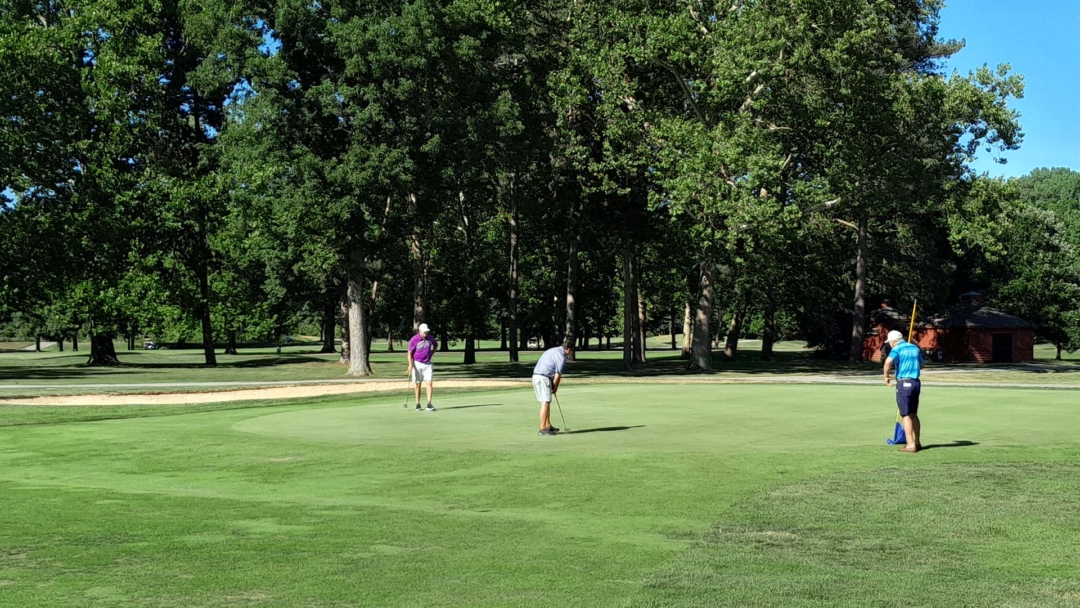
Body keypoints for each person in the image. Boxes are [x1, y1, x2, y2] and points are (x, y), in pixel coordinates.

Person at [884, 330, 923, 453]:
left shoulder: (897, 349)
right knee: (913, 414)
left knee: (905, 415)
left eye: (889, 342)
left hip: (904, 382)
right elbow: (921, 364)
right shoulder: (914, 347)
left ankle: (910, 444)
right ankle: (917, 442)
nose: (889, 344)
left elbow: (888, 361)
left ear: (893, 341)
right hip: (916, 382)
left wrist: (886, 375)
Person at [532, 340, 573, 436]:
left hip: (537, 377)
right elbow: (558, 374)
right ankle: (542, 429)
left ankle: (548, 425)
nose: (570, 353)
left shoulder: (552, 350)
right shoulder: (561, 356)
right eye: (571, 351)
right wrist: (555, 388)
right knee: (545, 403)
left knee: (547, 402)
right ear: (568, 350)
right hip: (543, 378)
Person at [407, 323, 437, 412]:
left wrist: (432, 352)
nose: (426, 334)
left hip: (428, 364)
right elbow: (409, 353)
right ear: (420, 331)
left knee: (429, 383)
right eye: (424, 332)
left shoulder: (430, 338)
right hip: (417, 363)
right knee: (418, 384)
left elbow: (435, 345)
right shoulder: (414, 339)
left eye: (427, 332)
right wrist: (410, 364)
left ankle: (429, 403)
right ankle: (418, 404)